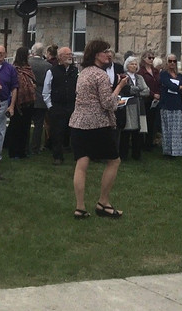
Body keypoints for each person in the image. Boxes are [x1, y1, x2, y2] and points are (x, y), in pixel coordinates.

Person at [70, 39, 128, 219]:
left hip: (78, 123)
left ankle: (80, 207)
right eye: (106, 51)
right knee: (114, 160)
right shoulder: (100, 75)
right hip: (97, 125)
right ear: (96, 55)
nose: (109, 54)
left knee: (82, 163)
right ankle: (103, 202)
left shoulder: (83, 72)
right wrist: (119, 86)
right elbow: (109, 104)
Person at [44, 46, 78, 165]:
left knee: (74, 132)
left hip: (72, 106)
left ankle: (77, 155)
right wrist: (50, 106)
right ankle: (57, 157)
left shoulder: (75, 71)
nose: (70, 56)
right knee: (57, 132)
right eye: (67, 54)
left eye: (71, 54)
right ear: (60, 57)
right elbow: (46, 91)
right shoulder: (52, 71)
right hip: (57, 107)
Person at [0, 45, 18, 162]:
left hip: (3, 102)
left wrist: (11, 105)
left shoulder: (10, 69)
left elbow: (14, 88)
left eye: (1, 53)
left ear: (5, 54)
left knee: (0, 130)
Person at [7, 46, 36, 159]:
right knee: (15, 127)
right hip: (17, 101)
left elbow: (33, 81)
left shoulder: (28, 68)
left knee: (25, 127)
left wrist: (32, 86)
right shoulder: (14, 69)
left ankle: (22, 151)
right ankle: (13, 152)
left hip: (28, 102)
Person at [118, 56, 149, 161]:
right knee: (126, 131)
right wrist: (138, 90)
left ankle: (137, 155)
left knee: (138, 131)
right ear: (127, 65)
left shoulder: (140, 77)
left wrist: (136, 91)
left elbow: (147, 91)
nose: (134, 66)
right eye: (132, 64)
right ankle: (123, 155)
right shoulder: (123, 77)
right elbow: (127, 90)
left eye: (136, 64)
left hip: (139, 106)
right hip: (128, 106)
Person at [159, 54, 182, 158]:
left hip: (177, 103)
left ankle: (177, 151)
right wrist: (180, 87)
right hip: (167, 104)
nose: (172, 63)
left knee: (177, 129)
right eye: (170, 61)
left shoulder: (179, 75)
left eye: (174, 61)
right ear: (166, 62)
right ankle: (168, 151)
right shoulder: (164, 74)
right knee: (168, 128)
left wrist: (180, 87)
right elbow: (169, 85)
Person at [28, 44, 50, 154]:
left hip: (28, 96)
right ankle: (35, 148)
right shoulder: (47, 66)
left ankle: (24, 145)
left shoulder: (27, 63)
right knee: (38, 125)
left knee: (26, 123)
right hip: (41, 96)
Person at [138, 51, 162, 149]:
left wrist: (158, 94)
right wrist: (153, 94)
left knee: (153, 122)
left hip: (155, 100)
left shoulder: (155, 71)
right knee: (145, 121)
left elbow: (159, 83)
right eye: (149, 58)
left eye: (153, 58)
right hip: (146, 99)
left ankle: (150, 142)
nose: (151, 60)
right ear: (144, 59)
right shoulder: (141, 71)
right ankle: (142, 143)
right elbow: (143, 86)